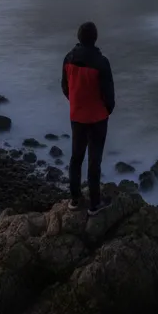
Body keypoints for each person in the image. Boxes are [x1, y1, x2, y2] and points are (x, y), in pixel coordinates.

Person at [61, 21, 115, 215]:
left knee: (76, 158)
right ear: (95, 38)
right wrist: (107, 110)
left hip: (77, 116)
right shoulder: (101, 63)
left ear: (79, 37)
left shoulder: (68, 59)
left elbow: (65, 87)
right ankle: (94, 204)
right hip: (97, 118)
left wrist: (75, 102)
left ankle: (75, 199)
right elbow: (109, 94)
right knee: (94, 160)